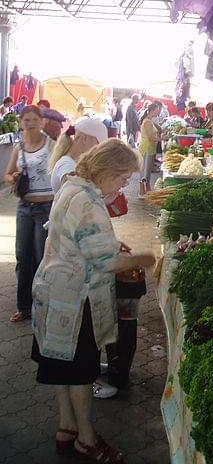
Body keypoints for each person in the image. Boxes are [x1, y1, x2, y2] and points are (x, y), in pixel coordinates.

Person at [31, 139, 155, 463]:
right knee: (81, 373)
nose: (123, 184)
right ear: (106, 170)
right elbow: (108, 264)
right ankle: (86, 440)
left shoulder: (72, 186)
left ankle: (66, 428)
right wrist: (144, 257)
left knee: (62, 367)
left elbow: (77, 236)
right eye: (122, 177)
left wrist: (112, 242)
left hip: (52, 291)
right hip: (74, 301)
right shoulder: (88, 201)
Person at [4, 105, 54, 323]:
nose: (30, 123)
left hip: (45, 208)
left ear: (42, 121)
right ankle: (24, 306)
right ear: (21, 123)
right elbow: (6, 175)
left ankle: (44, 305)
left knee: (41, 257)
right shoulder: (19, 147)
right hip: (24, 207)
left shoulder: (51, 144)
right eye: (26, 120)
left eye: (34, 119)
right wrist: (12, 177)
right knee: (22, 257)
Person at [48, 117, 108, 194]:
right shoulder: (67, 166)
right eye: (98, 144)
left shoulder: (70, 163)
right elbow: (73, 197)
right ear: (84, 139)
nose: (98, 150)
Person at [138, 103, 161, 185]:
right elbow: (150, 137)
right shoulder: (148, 122)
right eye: (157, 110)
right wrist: (161, 139)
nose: (158, 112)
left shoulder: (149, 121)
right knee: (145, 172)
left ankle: (146, 189)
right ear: (152, 111)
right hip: (146, 148)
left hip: (150, 148)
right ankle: (142, 191)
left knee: (147, 172)